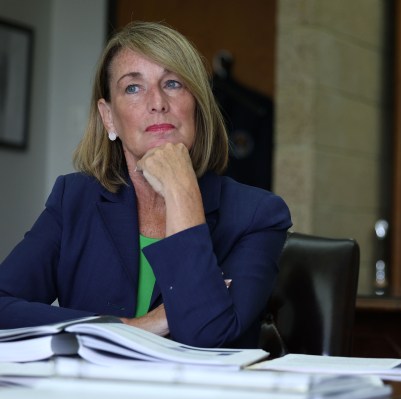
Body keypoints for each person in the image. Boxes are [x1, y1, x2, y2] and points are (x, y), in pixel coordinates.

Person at [0, 21, 292, 349]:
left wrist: (181, 191)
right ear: (108, 117)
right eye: (133, 88)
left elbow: (207, 335)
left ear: (197, 104)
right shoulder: (75, 200)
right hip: (90, 396)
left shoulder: (257, 215)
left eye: (173, 83)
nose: (157, 102)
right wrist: (128, 327)